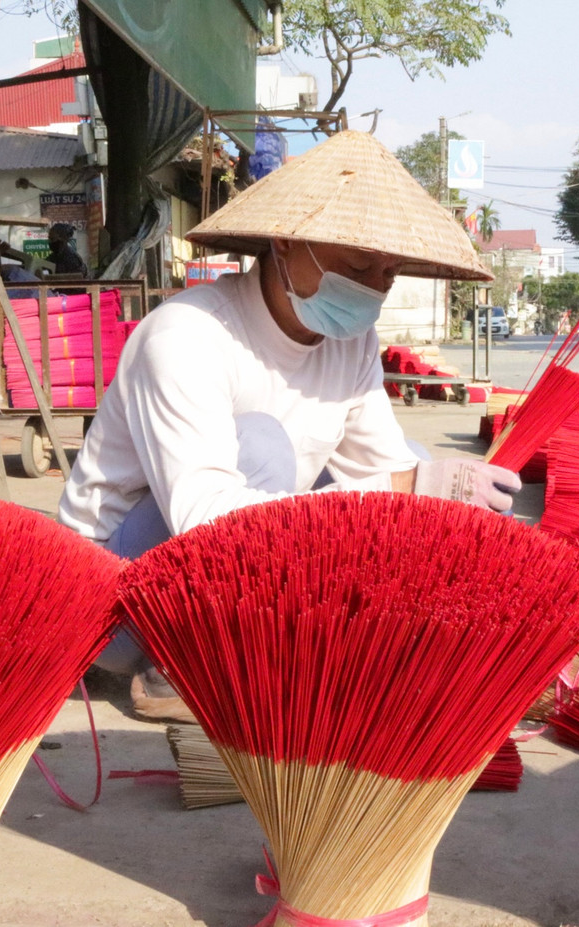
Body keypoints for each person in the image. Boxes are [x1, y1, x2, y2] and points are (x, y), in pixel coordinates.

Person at [57, 131, 521, 721]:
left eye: (388, 273)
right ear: (285, 239)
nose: (372, 288)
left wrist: (454, 514)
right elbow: (203, 519)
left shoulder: (351, 344)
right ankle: (183, 664)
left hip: (233, 564)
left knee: (414, 460)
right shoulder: (188, 336)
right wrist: (405, 487)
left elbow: (387, 467)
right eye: (357, 264)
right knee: (264, 447)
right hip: (118, 600)